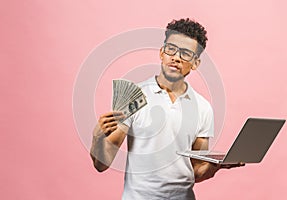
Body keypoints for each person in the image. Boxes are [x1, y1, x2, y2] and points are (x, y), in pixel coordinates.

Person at [90, 18, 244, 200]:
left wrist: (216, 166)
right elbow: (102, 164)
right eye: (171, 49)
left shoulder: (203, 108)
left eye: (186, 53)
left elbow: (196, 170)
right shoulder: (135, 96)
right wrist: (97, 138)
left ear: (195, 63)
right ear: (162, 53)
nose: (176, 57)